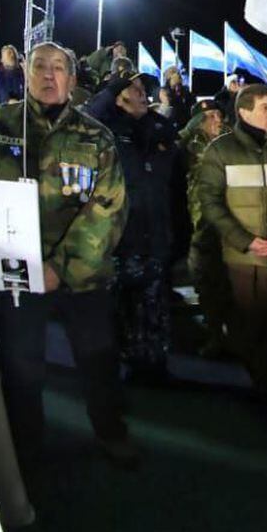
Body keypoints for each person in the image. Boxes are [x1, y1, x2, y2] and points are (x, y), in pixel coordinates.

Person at [0, 42, 136, 469]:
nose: (49, 76)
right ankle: (23, 449)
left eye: (59, 68)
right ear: (26, 74)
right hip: (13, 274)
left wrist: (58, 268)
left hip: (82, 276)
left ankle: (111, 433)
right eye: (40, 67)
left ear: (72, 77)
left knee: (98, 361)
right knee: (20, 367)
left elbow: (109, 209)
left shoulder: (96, 136)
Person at [193, 84, 267, 398]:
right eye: (266, 108)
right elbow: (210, 203)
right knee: (250, 326)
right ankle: (260, 380)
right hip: (243, 259)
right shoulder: (219, 151)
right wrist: (246, 241)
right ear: (244, 112)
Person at [86, 72, 181, 383]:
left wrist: (179, 234)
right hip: (118, 236)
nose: (142, 94)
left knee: (153, 305)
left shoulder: (160, 129)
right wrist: (113, 85)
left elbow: (176, 185)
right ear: (118, 97)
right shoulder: (107, 128)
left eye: (143, 90)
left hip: (155, 233)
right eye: (134, 89)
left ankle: (153, 365)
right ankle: (112, 370)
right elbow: (89, 116)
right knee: (116, 308)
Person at [179, 102, 232, 354]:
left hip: (231, 224)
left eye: (219, 115)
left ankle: (235, 336)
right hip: (202, 225)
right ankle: (215, 335)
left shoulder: (232, 141)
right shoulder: (191, 144)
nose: (217, 120)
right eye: (210, 116)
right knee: (207, 282)